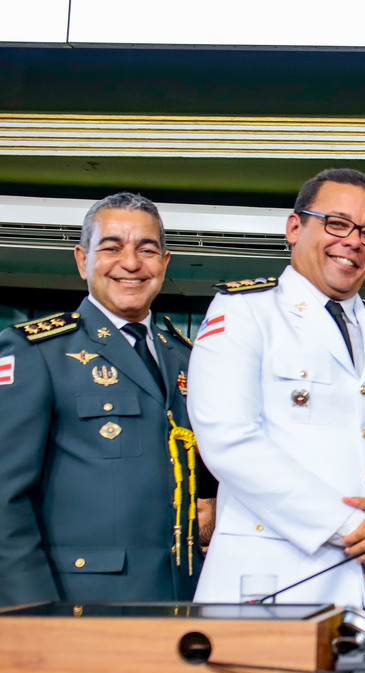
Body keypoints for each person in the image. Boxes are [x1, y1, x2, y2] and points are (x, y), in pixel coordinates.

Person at [188, 168, 365, 607]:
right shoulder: (244, 311)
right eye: (337, 223)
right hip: (274, 582)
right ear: (295, 227)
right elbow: (229, 440)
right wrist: (353, 527)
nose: (353, 241)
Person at [0, 192, 212, 605]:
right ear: (83, 260)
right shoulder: (37, 352)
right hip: (79, 603)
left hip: (182, 601)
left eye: (146, 250)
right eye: (111, 248)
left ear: (164, 264)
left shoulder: (187, 357)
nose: (130, 264)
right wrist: (31, 611)